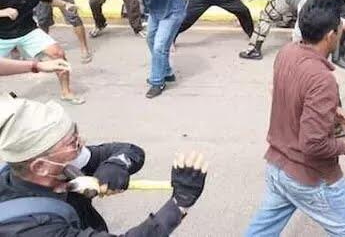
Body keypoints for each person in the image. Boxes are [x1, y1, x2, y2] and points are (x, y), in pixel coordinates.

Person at [245, 0, 345, 236]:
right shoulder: (322, 80)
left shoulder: (287, 52)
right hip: (309, 177)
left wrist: (332, 109)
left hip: (278, 167)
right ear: (331, 35)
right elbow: (313, 143)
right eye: (340, 26)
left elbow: (289, 94)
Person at [0, 97, 208, 234]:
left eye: (76, 133)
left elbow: (130, 150)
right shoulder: (29, 227)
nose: (80, 143)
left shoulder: (57, 165)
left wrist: (115, 164)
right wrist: (180, 203)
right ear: (39, 166)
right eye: (72, 142)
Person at [0, 0, 84, 103]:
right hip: (2, 36)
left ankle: (66, 92)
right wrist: (3, 11)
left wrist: (65, 5)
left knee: (58, 53)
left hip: (28, 30)